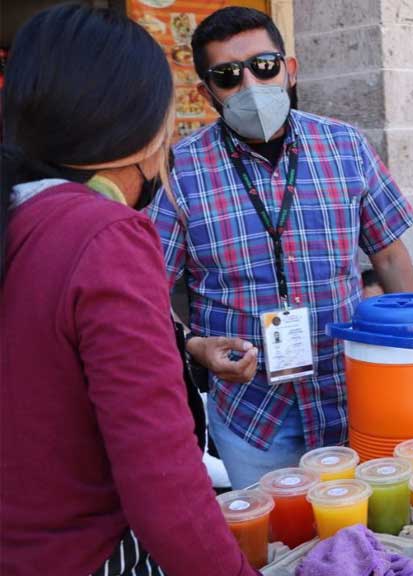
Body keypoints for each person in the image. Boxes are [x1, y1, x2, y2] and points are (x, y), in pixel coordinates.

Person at [0, 6, 257, 575]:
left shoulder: (22, 216)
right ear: (144, 128)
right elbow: (164, 487)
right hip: (86, 555)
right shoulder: (105, 235)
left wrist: (186, 344)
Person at [147, 7, 413, 490]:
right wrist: (193, 347)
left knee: (364, 543)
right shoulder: (179, 170)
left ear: (290, 70)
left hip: (352, 394)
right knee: (274, 554)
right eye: (228, 76)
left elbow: (390, 256)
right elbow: (145, 292)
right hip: (252, 414)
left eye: (264, 65)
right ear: (206, 94)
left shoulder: (345, 146)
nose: (251, 84)